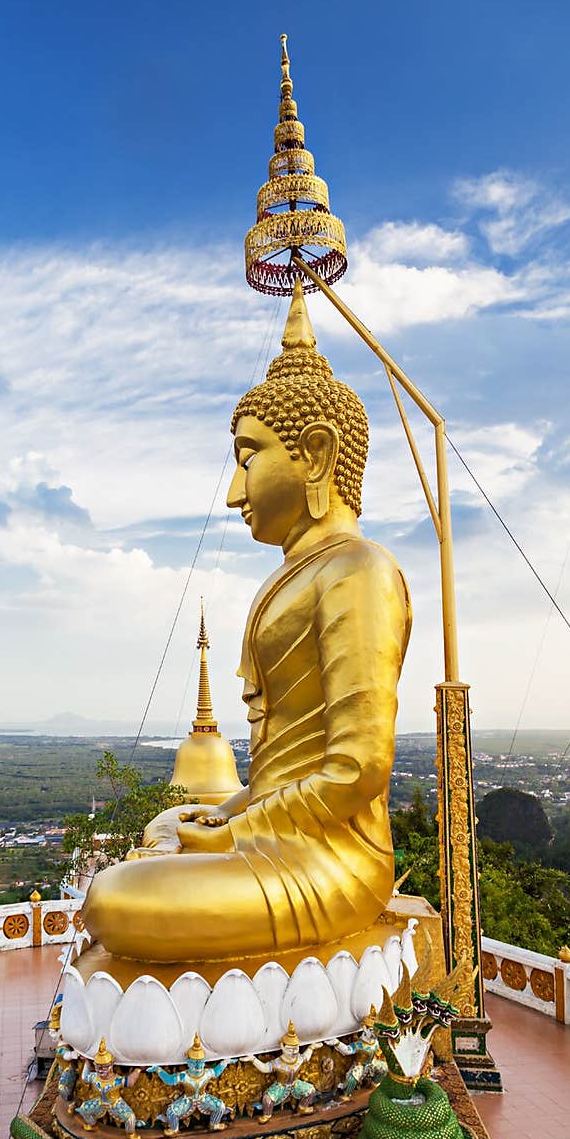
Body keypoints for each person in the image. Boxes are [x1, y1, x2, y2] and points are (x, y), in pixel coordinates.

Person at [84, 279, 412, 964]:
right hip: (273, 832)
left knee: (114, 900)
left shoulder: (360, 570)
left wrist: (234, 834)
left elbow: (358, 770)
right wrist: (226, 817)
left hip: (333, 861)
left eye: (247, 458)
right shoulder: (290, 578)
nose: (235, 491)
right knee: (163, 826)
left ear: (316, 454)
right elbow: (270, 780)